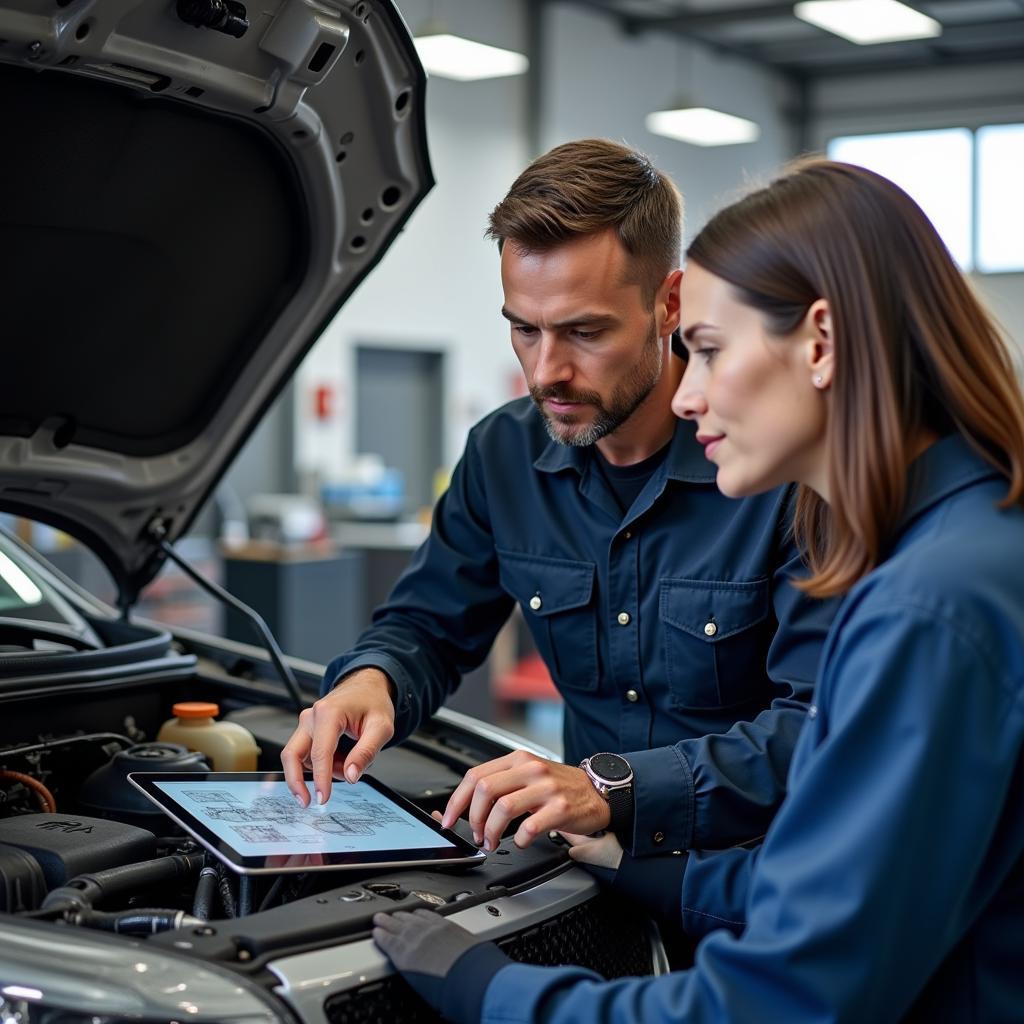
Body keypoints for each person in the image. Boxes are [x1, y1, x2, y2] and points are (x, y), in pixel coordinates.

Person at [371, 158, 1024, 1023]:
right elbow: (835, 886)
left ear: (820, 343)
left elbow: (779, 998)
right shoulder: (976, 551)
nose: (690, 394)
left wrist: (483, 986)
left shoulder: (928, 606)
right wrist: (621, 858)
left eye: (709, 352)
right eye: (523, 332)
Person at [282, 139, 833, 860]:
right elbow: (427, 623)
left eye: (585, 331)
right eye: (524, 328)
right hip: (589, 875)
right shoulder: (501, 456)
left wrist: (614, 790)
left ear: (669, 304)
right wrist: (373, 679)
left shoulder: (778, 471)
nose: (547, 372)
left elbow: (818, 723)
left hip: (759, 886)